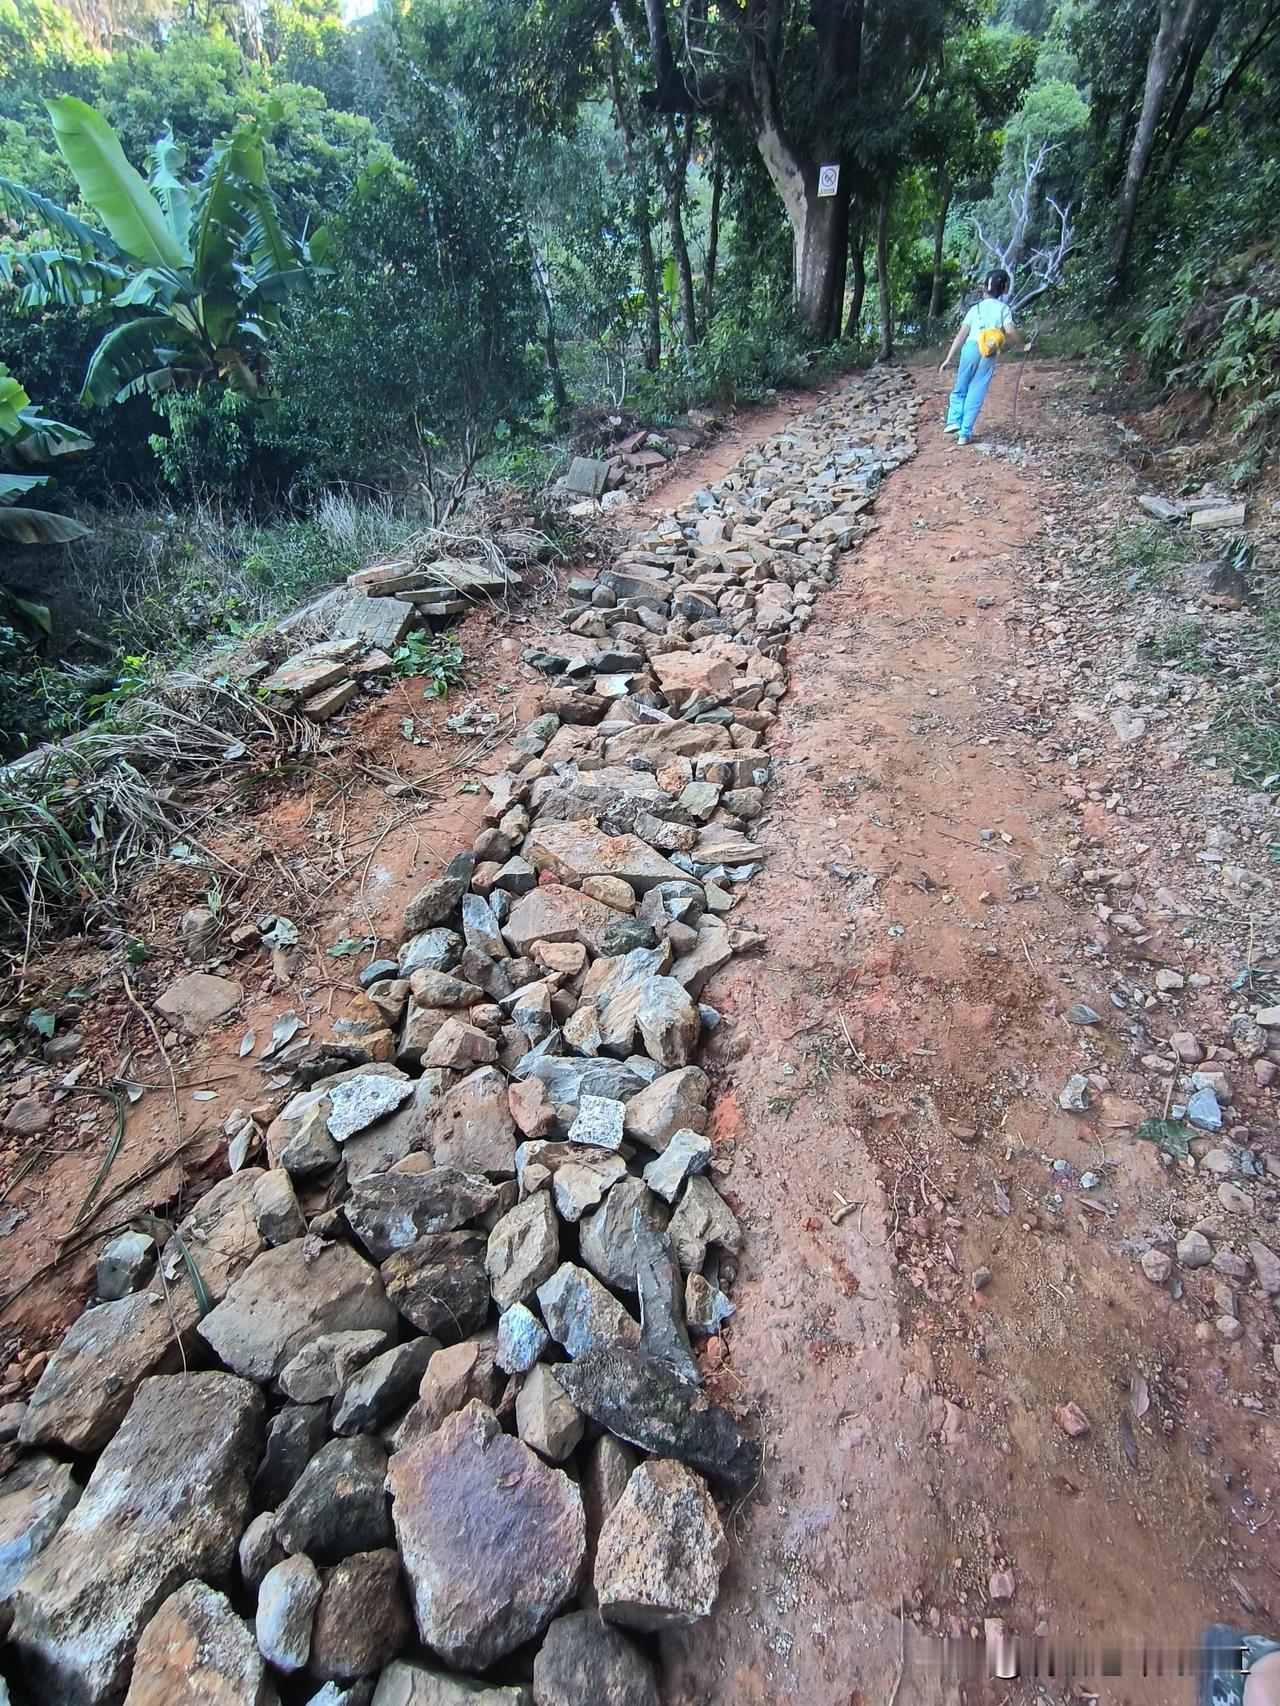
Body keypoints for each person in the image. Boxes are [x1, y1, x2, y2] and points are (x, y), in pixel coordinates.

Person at [938, 269, 1025, 445]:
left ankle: (953, 420)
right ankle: (964, 434)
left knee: (960, 386)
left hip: (970, 347)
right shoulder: (1003, 309)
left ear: (985, 287)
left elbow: (961, 334)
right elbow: (1009, 331)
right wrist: (1023, 346)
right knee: (977, 390)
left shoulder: (974, 309)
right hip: (989, 351)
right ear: (1004, 289)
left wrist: (948, 358)